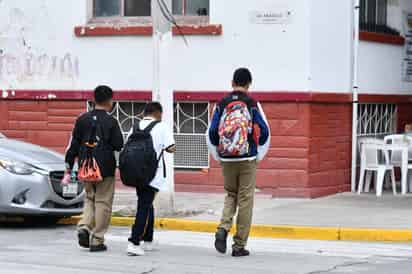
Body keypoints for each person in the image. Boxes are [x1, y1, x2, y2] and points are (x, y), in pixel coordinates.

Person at [208, 68, 270, 257]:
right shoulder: (251, 103)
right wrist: (256, 151)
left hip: (227, 158)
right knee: (245, 200)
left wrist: (221, 152)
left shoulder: (222, 103)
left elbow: (212, 132)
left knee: (231, 194)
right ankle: (239, 246)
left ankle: (223, 227)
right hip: (247, 157)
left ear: (232, 82)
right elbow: (265, 130)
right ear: (249, 84)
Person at [65, 85, 124, 252]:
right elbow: (119, 144)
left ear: (94, 99)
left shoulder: (82, 119)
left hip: (85, 165)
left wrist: (69, 164)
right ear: (109, 101)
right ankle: (97, 239)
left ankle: (84, 226)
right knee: (103, 202)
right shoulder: (111, 121)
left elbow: (74, 144)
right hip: (104, 167)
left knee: (90, 198)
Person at [126, 102, 176, 256]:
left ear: (144, 113)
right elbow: (171, 147)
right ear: (158, 113)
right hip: (154, 173)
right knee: (144, 205)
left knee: (147, 204)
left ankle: (148, 240)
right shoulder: (162, 127)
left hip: (136, 171)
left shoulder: (134, 126)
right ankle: (134, 242)